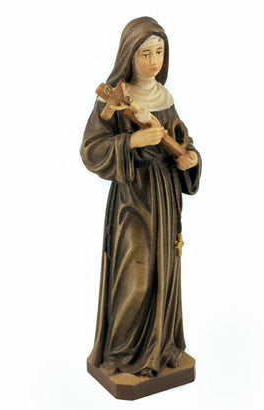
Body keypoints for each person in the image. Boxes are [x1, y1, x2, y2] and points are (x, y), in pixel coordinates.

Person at [80, 16, 201, 378]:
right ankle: (119, 353)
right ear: (129, 55)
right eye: (145, 53)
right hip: (133, 199)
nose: (153, 61)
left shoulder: (164, 98)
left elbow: (180, 138)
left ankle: (160, 346)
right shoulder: (116, 96)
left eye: (159, 52)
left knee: (163, 269)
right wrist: (131, 141)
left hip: (164, 195)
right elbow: (91, 148)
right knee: (135, 275)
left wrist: (190, 158)